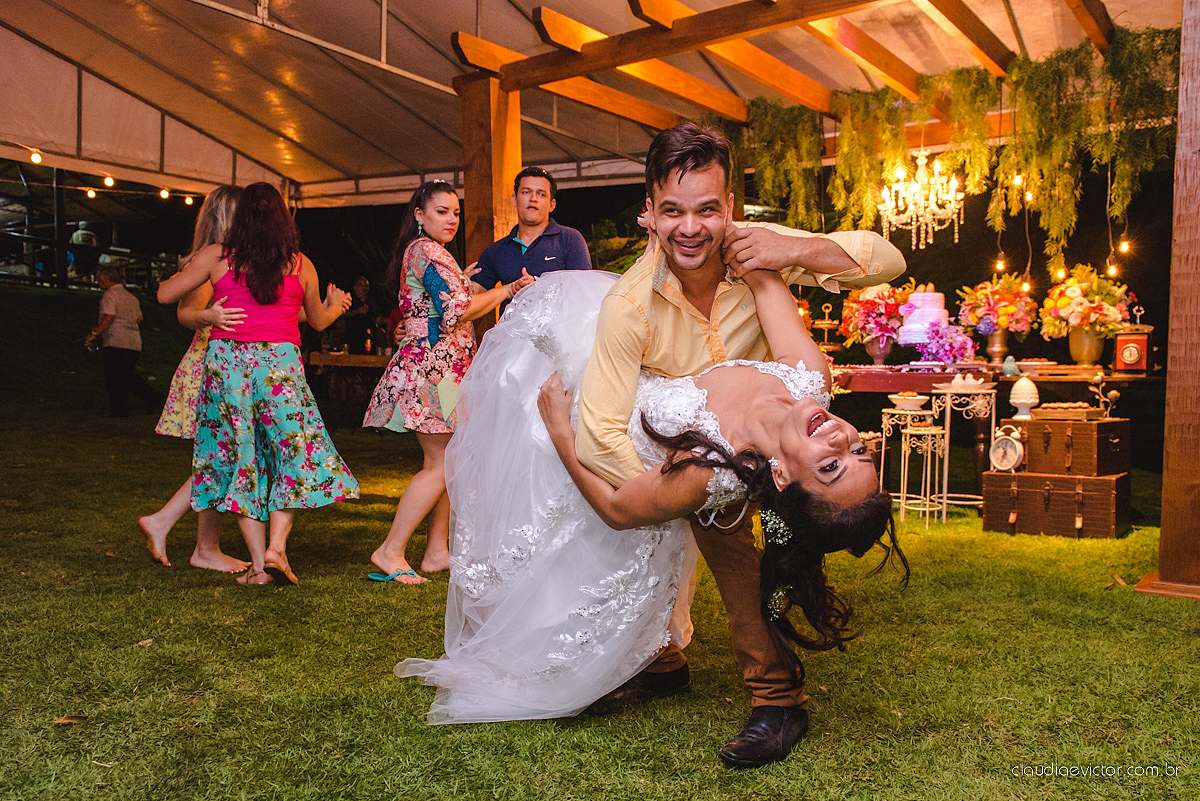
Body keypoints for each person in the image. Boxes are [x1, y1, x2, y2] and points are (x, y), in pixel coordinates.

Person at [393, 265, 905, 731]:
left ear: (785, 476)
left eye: (832, 464)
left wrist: (560, 433)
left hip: (594, 438)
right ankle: (661, 662)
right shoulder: (810, 381)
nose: (842, 438)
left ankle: (775, 699)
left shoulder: (711, 476)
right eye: (859, 450)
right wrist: (703, 232)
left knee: (645, 561)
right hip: (613, 391)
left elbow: (618, 511)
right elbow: (764, 273)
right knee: (634, 566)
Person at [570, 123, 908, 768]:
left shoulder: (761, 262)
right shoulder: (631, 307)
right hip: (692, 448)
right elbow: (599, 431)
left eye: (707, 209)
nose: (691, 228)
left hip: (777, 440)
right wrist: (666, 487)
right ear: (650, 210)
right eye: (673, 211)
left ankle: (777, 699)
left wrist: (796, 249)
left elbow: (885, 259)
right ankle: (660, 661)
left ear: (731, 208)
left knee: (762, 561)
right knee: (659, 544)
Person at [156, 182, 358, 586]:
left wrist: (208, 311)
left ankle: (260, 569)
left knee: (246, 459)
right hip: (281, 369)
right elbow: (317, 321)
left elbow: (164, 295)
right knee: (292, 456)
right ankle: (276, 549)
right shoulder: (301, 264)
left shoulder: (218, 258)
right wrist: (336, 307)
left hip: (230, 368)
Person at [363, 181, 535, 585]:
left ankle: (437, 550)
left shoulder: (430, 255)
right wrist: (506, 290)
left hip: (443, 366)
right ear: (419, 215)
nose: (452, 219)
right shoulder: (426, 250)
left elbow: (438, 304)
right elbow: (457, 311)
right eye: (441, 211)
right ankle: (390, 550)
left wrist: (463, 279)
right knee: (440, 464)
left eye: (455, 212)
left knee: (449, 461)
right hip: (435, 368)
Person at [139, 185, 250, 572]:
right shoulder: (211, 260)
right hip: (210, 365)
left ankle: (203, 545)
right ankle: (174, 527)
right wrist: (208, 317)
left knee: (222, 456)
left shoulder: (240, 262)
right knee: (222, 455)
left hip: (235, 366)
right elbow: (183, 311)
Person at [471, 166, 591, 315]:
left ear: (552, 204)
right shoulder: (496, 250)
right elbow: (471, 298)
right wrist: (459, 280)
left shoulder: (570, 239)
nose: (533, 199)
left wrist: (540, 288)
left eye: (541, 194)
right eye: (526, 192)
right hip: (509, 336)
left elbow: (585, 293)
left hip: (558, 336)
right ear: (514, 199)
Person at [85, 265, 163, 417]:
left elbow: (109, 316)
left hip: (116, 339)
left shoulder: (110, 296)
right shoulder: (131, 297)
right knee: (125, 374)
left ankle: (148, 398)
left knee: (116, 376)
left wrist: (95, 333)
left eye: (99, 280)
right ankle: (123, 407)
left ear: (105, 279)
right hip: (133, 340)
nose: (98, 283)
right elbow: (139, 317)